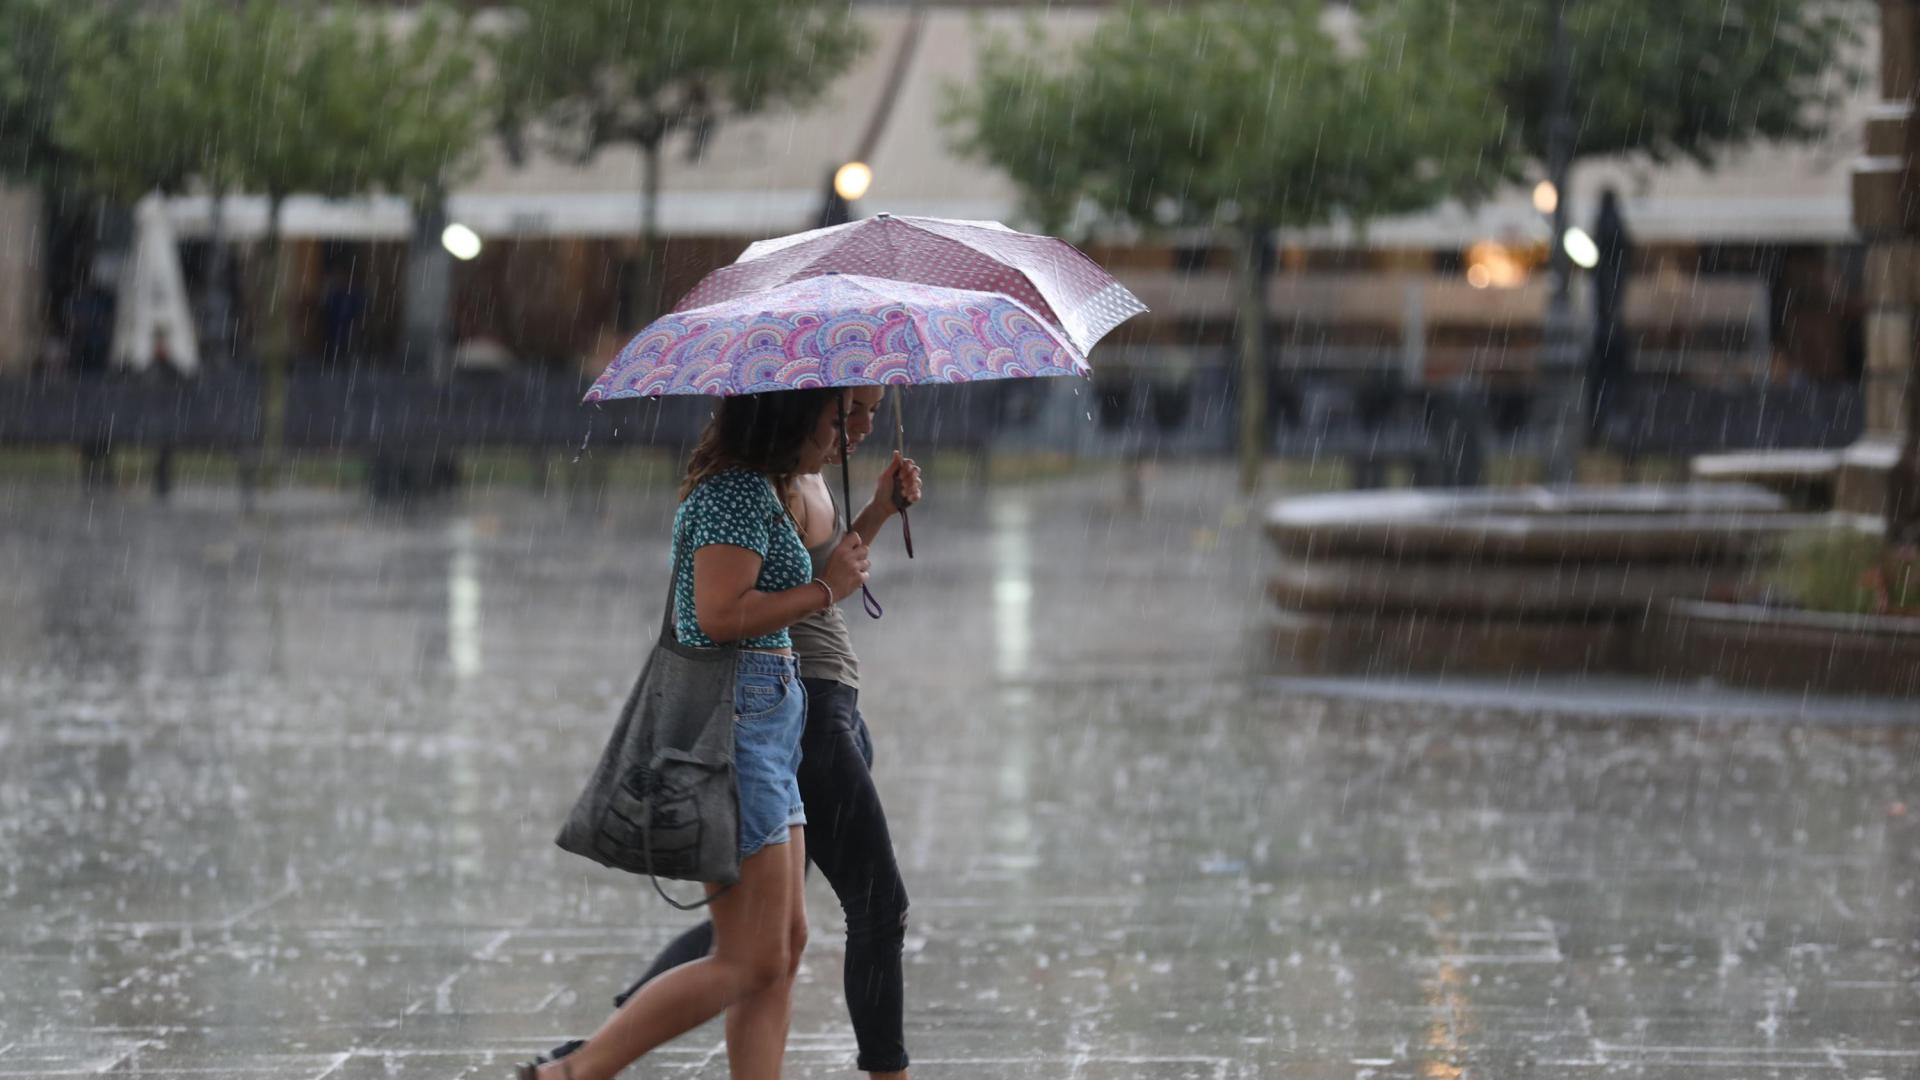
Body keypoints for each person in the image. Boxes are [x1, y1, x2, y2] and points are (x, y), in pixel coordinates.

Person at [539, 386, 924, 1078]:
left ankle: (586, 1058)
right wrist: (827, 591)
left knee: (779, 945)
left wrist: (870, 518)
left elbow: (791, 576)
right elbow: (715, 617)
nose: (856, 428)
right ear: (793, 412)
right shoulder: (735, 495)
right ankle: (577, 1069)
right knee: (754, 955)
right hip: (744, 721)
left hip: (777, 716)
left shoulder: (768, 487)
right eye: (844, 414)